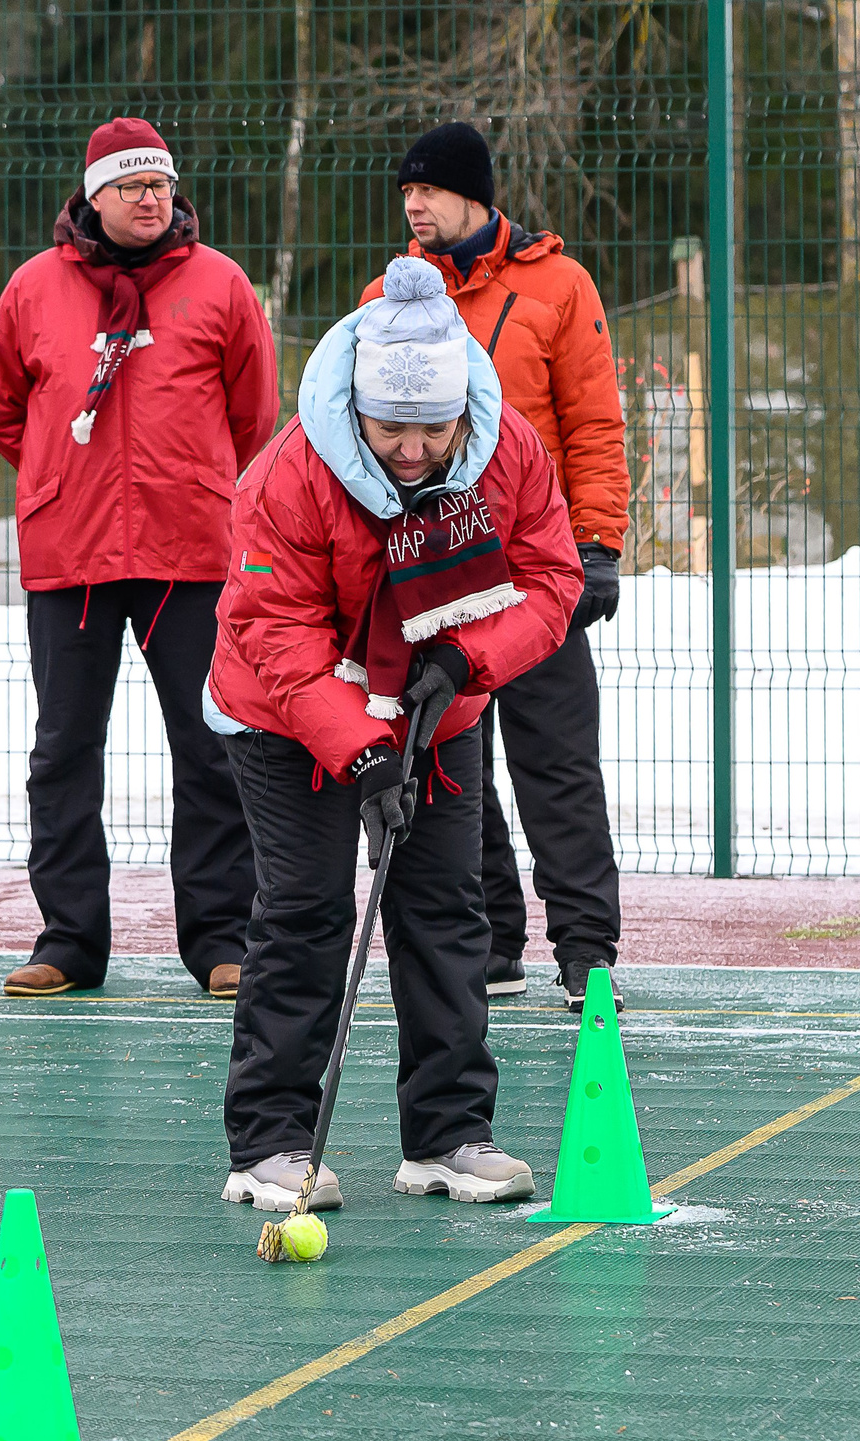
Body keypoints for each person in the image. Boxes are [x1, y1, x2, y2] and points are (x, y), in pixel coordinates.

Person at [208, 259, 581, 1212]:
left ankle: (449, 1133)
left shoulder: (508, 453)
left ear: (463, 409)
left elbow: (548, 579)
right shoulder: (291, 471)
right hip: (285, 714)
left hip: (431, 705)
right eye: (390, 429)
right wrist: (361, 749)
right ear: (356, 409)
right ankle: (272, 1142)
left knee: (447, 908)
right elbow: (274, 629)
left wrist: (467, 661)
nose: (411, 450)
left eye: (431, 428)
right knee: (307, 909)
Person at [0, 117, 277, 1000]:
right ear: (94, 198)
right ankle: (69, 941)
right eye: (132, 186)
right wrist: (59, 481)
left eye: (162, 184)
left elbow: (251, 418)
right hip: (68, 557)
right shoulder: (33, 288)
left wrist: (192, 482)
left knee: (210, 746)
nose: (152, 199)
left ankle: (222, 940)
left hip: (189, 552)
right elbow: (4, 414)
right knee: (64, 749)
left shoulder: (220, 283)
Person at [367, 122, 631, 1008]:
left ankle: (587, 953)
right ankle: (492, 944)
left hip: (535, 559)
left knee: (557, 763)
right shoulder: (389, 298)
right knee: (450, 756)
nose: (414, 205)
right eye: (407, 192)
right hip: (433, 572)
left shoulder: (560, 287)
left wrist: (595, 544)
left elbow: (594, 422)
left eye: (429, 190)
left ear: (476, 195)